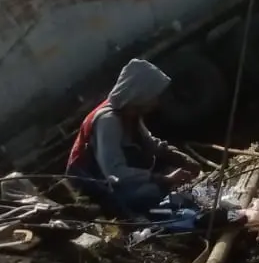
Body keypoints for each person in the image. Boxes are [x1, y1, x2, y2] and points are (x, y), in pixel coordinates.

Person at [66, 58, 196, 216]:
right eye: (153, 96)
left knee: (169, 177)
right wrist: (163, 179)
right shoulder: (108, 121)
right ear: (139, 94)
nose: (156, 102)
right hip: (95, 182)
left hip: (117, 173)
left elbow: (149, 142)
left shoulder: (128, 111)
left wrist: (179, 157)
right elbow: (115, 172)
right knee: (150, 193)